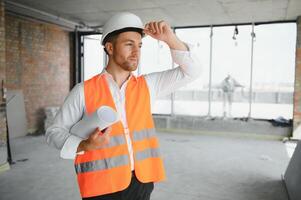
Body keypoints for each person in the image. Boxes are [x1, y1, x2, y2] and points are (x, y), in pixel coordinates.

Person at [46, 12, 201, 200]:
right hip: (100, 185)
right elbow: (54, 132)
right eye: (129, 44)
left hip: (141, 181)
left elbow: (192, 71)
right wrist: (84, 145)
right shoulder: (82, 91)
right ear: (110, 48)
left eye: (140, 45)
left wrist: (170, 39)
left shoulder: (149, 85)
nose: (137, 52)